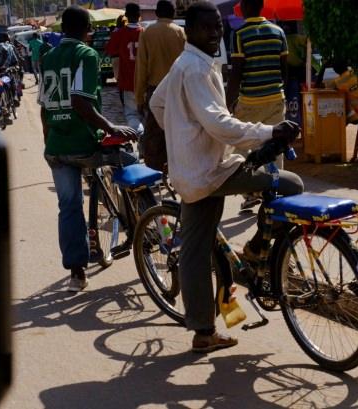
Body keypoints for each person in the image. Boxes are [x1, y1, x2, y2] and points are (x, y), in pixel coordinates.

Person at [149, 1, 303, 353]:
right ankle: (257, 251)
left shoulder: (189, 63)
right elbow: (218, 123)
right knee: (290, 184)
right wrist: (269, 132)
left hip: (196, 170)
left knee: (195, 250)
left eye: (218, 26)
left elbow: (158, 104)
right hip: (209, 172)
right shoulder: (194, 69)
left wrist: (182, 137)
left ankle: (204, 331)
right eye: (207, 27)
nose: (215, 32)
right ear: (189, 31)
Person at [38, 6, 138, 292]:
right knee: (132, 162)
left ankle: (77, 274)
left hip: (56, 147)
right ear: (87, 31)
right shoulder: (87, 54)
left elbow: (45, 108)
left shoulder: (48, 58)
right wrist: (112, 127)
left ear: (61, 30)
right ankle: (146, 228)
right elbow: (81, 102)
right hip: (84, 145)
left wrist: (49, 142)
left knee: (68, 207)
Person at [226, 0, 289, 210]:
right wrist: (280, 91)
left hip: (250, 102)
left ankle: (250, 192)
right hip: (275, 99)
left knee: (242, 148)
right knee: (275, 146)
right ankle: (276, 192)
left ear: (243, 9)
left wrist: (228, 102)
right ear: (262, 6)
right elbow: (284, 68)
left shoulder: (239, 34)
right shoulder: (278, 32)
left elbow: (236, 72)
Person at [134, 0, 185, 171]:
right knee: (177, 131)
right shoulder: (181, 32)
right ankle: (178, 168)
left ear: (156, 13)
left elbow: (141, 67)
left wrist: (139, 98)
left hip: (155, 91)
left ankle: (154, 172)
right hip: (178, 90)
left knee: (154, 135)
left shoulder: (147, 32)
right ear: (173, 13)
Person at [105, 3, 145, 154]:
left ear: (126, 16)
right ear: (140, 16)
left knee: (131, 114)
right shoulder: (145, 32)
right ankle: (144, 146)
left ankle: (140, 137)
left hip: (127, 81)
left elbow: (111, 51)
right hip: (145, 81)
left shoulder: (119, 33)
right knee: (145, 115)